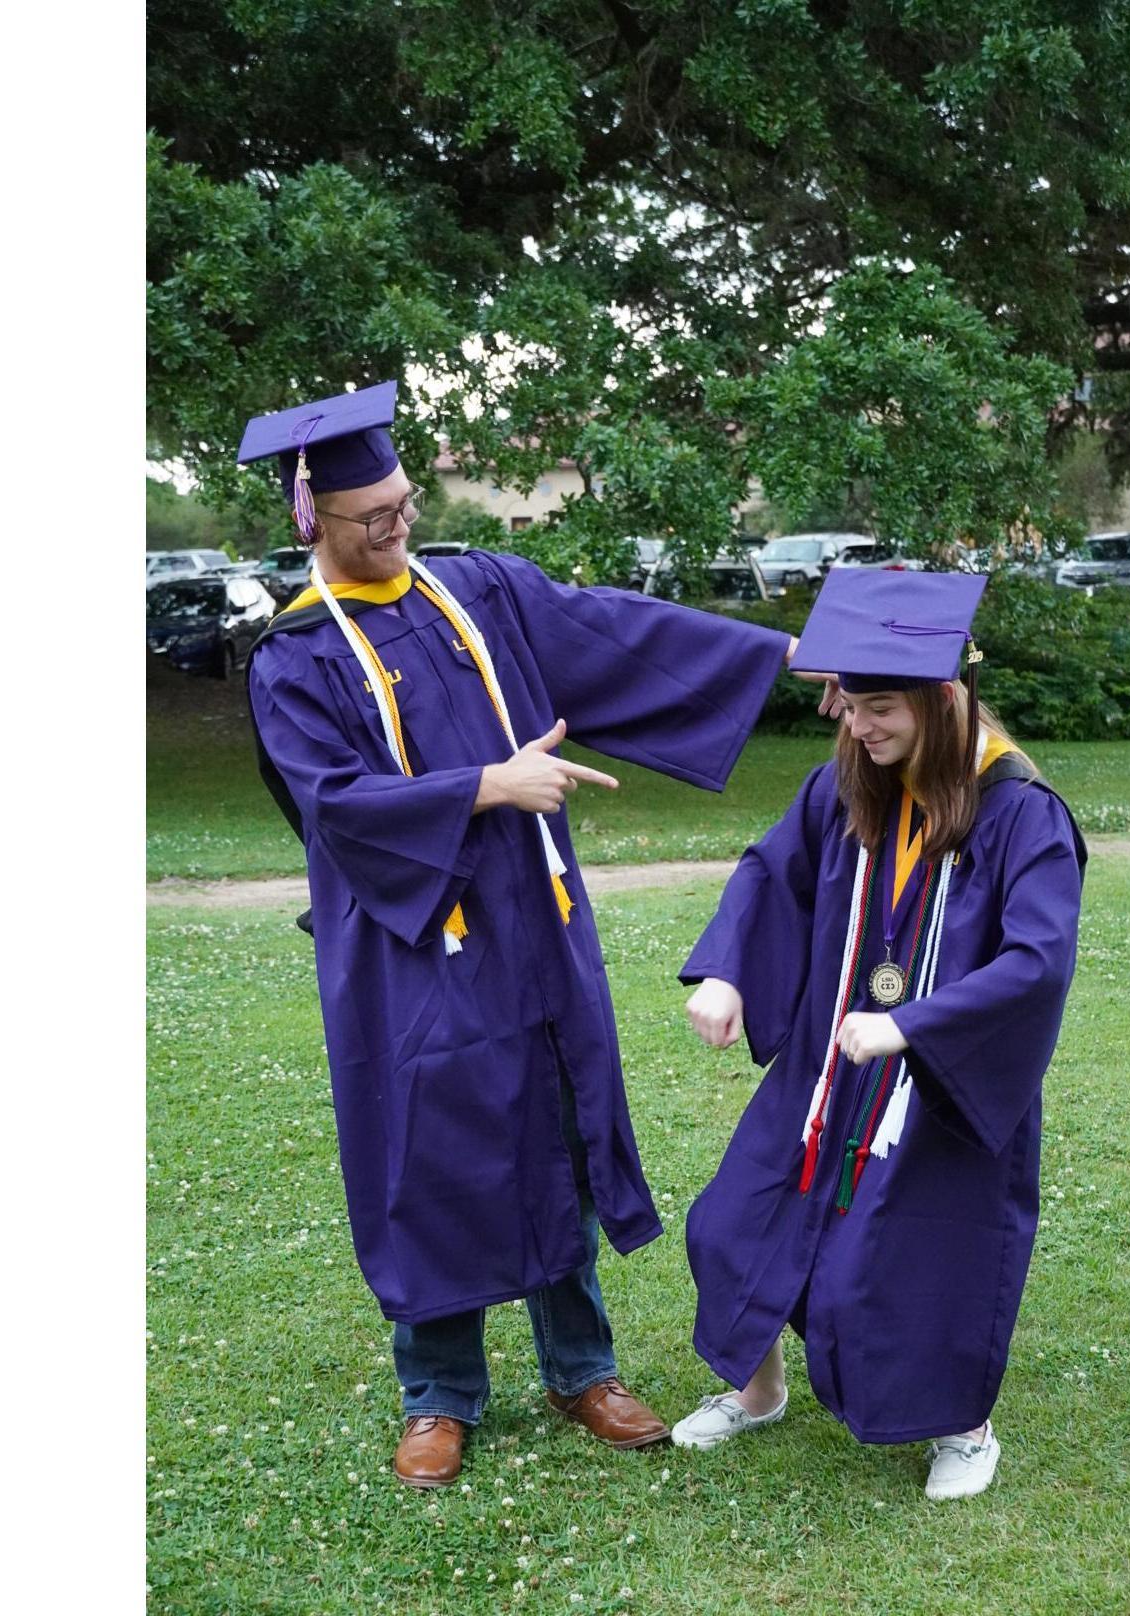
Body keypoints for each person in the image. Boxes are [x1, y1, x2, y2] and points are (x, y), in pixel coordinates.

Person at [237, 382, 803, 1489]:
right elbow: (331, 803)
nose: (398, 524)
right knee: (425, 1144)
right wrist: (490, 781)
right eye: (372, 516)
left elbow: (613, 628)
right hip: (408, 941)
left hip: (532, 921)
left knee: (556, 1122)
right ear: (313, 519)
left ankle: (581, 1366)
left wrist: (778, 656)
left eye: (403, 501)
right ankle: (439, 1392)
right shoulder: (292, 658)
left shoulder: (477, 589)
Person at [670, 568, 1087, 1500]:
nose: (860, 727)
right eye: (851, 708)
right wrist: (732, 971)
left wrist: (913, 1027)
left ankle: (964, 1430)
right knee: (730, 1223)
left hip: (940, 1087)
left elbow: (1037, 960)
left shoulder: (1021, 811)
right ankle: (759, 1389)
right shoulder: (848, 786)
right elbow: (771, 871)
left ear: (944, 698)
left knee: (898, 1268)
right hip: (835, 1065)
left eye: (882, 709)